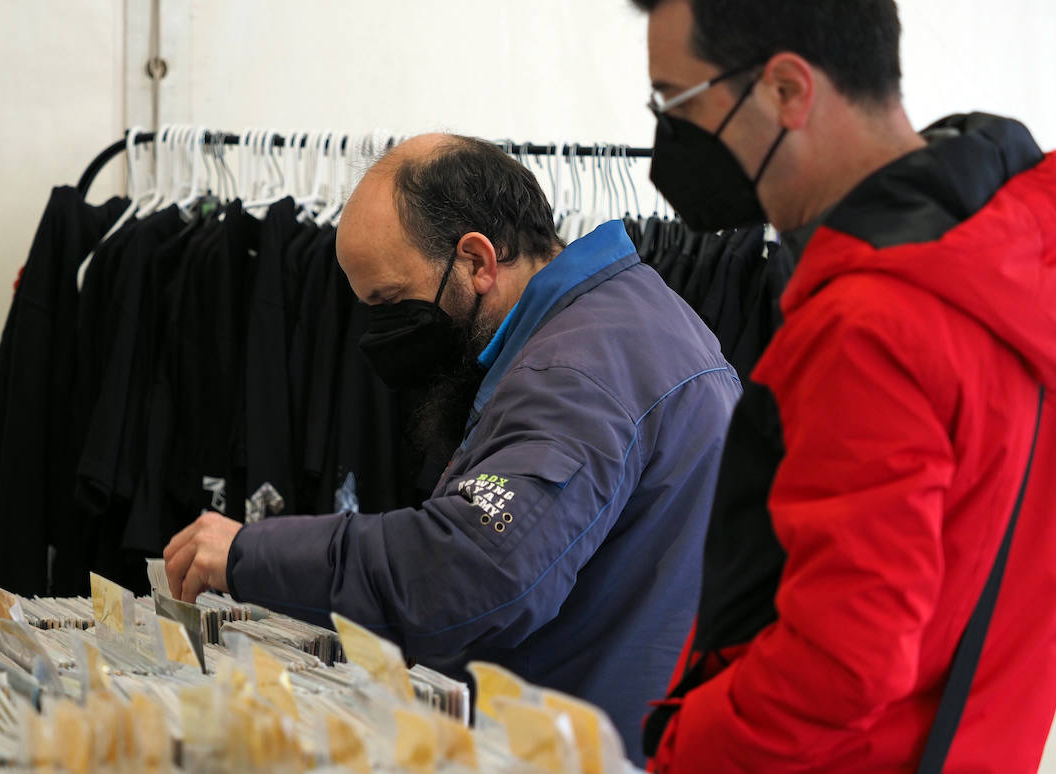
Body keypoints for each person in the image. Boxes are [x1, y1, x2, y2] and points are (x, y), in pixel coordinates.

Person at [164, 133, 740, 759]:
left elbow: (471, 570)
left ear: (477, 261)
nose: (381, 332)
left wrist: (253, 552)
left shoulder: (577, 372)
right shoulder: (628, 318)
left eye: (389, 301)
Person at [630, 1, 1056, 771]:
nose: (668, 133)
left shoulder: (869, 325)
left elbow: (842, 660)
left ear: (788, 90)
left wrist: (685, 750)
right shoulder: (1010, 254)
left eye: (676, 103)